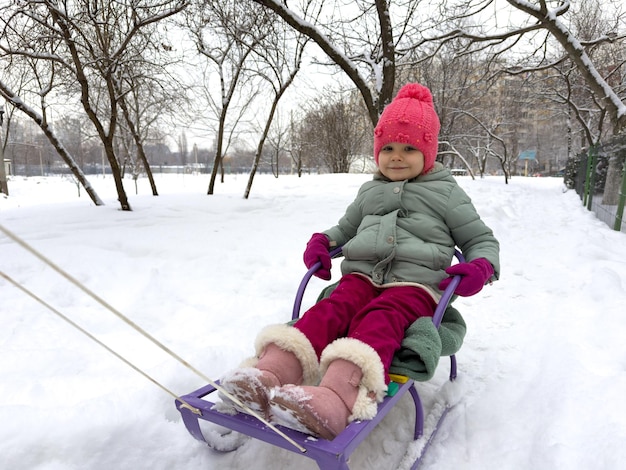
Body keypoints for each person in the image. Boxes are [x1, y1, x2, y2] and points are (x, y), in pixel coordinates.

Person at [219, 83, 500, 440]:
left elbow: (480, 239)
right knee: (329, 309)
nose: (396, 157)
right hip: (361, 278)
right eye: (388, 148)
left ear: (428, 152)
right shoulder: (370, 191)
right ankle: (268, 375)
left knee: (379, 319)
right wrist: (324, 241)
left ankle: (337, 397)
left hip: (415, 286)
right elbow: (346, 228)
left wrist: (481, 266)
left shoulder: (446, 193)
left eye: (410, 148)